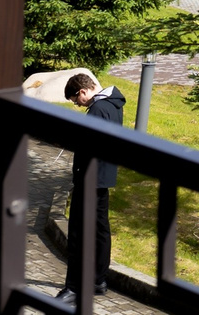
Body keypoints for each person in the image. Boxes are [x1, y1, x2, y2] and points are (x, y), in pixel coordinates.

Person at [56, 72, 125, 296]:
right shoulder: (113, 104)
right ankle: (98, 280)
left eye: (76, 100)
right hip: (103, 178)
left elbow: (89, 145)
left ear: (83, 91)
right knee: (100, 231)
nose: (78, 105)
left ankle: (74, 288)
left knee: (78, 234)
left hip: (89, 179)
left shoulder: (98, 109)